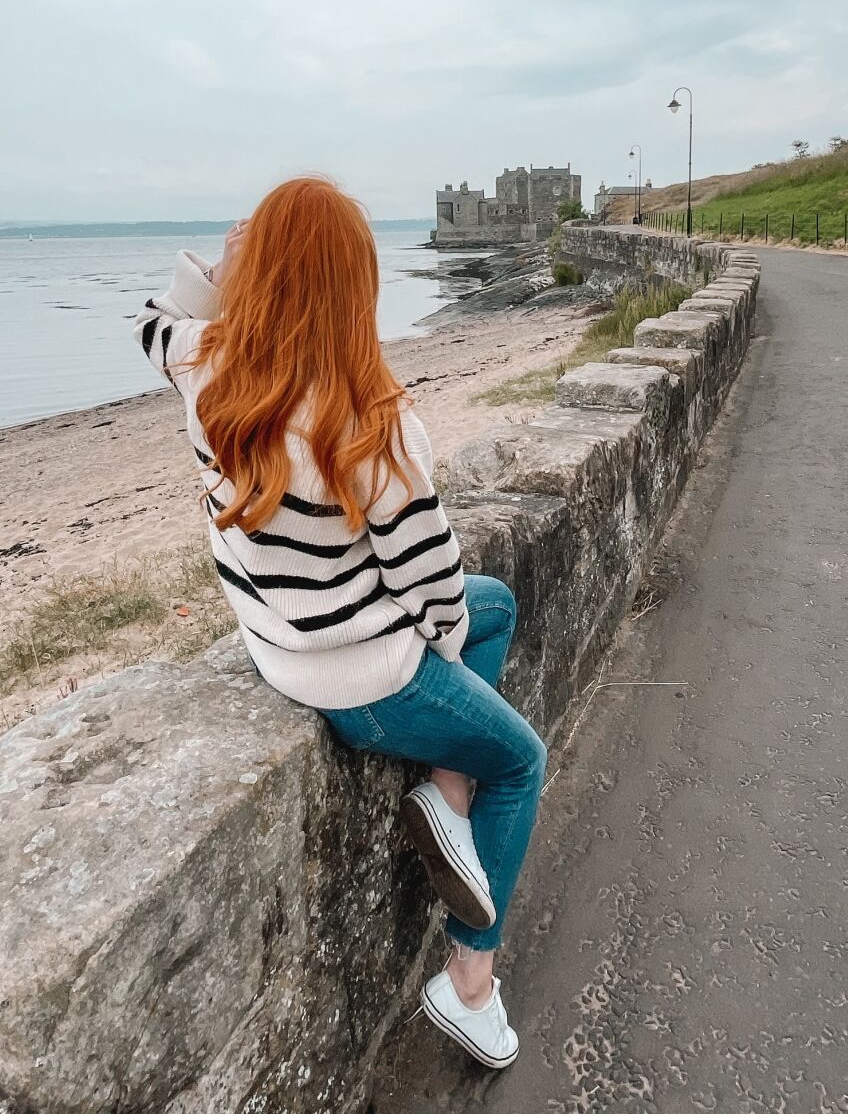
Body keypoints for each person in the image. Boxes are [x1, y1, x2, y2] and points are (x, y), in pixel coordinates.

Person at [134, 176, 546, 1070]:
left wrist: (223, 262)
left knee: (499, 602)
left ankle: (446, 793)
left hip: (277, 650)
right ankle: (470, 981)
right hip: (369, 681)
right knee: (521, 759)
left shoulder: (207, 372)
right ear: (355, 288)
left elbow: (151, 323)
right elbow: (432, 588)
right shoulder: (372, 423)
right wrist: (439, 668)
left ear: (262, 272)